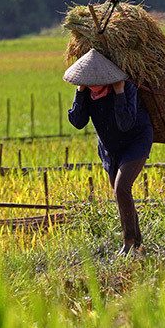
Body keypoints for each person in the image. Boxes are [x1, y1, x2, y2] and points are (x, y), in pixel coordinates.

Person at [64, 49, 153, 256]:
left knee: (122, 187)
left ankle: (129, 242)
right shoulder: (86, 93)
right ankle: (137, 244)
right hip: (109, 147)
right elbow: (77, 122)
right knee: (121, 193)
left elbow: (126, 123)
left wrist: (120, 92)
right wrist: (79, 92)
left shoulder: (127, 88)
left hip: (135, 141)